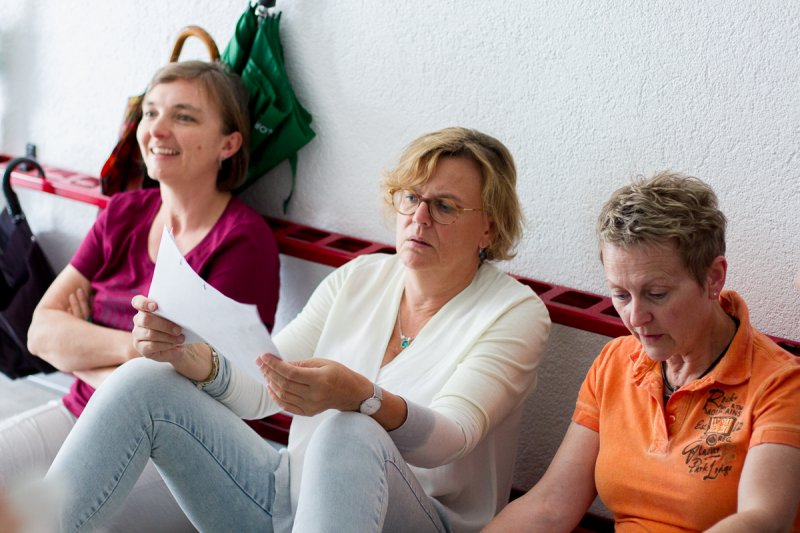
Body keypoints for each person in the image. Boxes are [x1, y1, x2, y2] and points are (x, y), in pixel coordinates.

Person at [45, 127, 550, 532]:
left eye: (444, 206)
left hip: (418, 519)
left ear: (490, 226)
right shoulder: (361, 276)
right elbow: (263, 387)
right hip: (289, 494)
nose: (419, 217)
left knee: (351, 428)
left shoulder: (515, 313)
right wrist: (189, 356)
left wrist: (361, 397)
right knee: (145, 381)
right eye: (411, 197)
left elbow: (450, 440)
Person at [6, 61, 280, 531]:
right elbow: (40, 332)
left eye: (184, 116)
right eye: (151, 112)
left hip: (173, 454)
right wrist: (135, 349)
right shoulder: (123, 212)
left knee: (34, 522)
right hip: (79, 412)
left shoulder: (242, 242)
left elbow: (192, 393)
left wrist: (81, 345)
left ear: (229, 144)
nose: (157, 129)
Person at [485, 172, 800, 532]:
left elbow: (763, 520)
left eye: (657, 294)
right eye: (620, 294)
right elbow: (550, 506)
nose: (635, 318)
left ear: (713, 278)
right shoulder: (616, 362)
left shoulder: (780, 383)